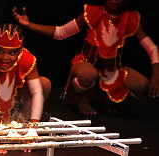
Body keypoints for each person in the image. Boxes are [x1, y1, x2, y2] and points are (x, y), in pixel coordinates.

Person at [13, 0, 159, 115]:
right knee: (88, 74)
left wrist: (156, 74)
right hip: (87, 63)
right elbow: (61, 32)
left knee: (143, 86)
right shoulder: (92, 12)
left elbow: (152, 47)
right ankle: (83, 99)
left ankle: (105, 99)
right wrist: (29, 25)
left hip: (112, 69)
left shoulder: (130, 18)